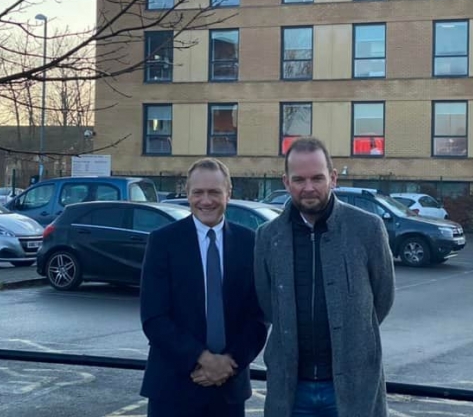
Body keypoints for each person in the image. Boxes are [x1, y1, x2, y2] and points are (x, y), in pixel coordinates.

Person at [254, 136, 395, 417]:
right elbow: (267, 303)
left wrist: (352, 334)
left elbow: (382, 298)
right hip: (291, 390)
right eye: (299, 179)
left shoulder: (367, 228)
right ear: (286, 182)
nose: (308, 188)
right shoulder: (268, 237)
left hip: (352, 387)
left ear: (332, 178)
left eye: (317, 178)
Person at [140, 157, 268, 417]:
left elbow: (258, 317)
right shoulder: (163, 242)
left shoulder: (250, 243)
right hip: (173, 389)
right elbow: (154, 318)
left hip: (229, 390)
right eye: (198, 192)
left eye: (214, 192)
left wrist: (227, 365)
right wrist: (203, 359)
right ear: (187, 194)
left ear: (228, 194)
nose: (206, 200)